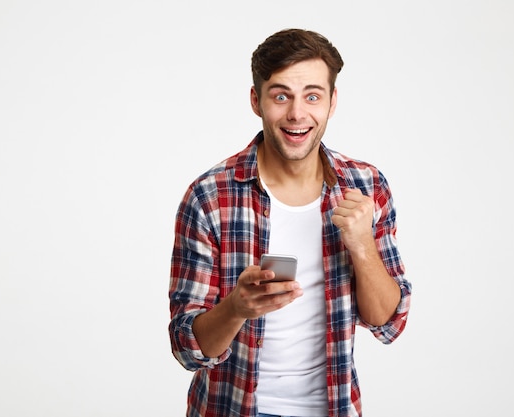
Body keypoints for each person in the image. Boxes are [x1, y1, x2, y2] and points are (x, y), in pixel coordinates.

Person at [169, 28, 411, 417]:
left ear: (332, 102)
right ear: (256, 100)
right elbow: (186, 348)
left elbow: (388, 323)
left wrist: (362, 244)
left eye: (312, 96)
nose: (297, 114)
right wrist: (236, 308)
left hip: (331, 408)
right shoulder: (210, 197)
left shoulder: (366, 186)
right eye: (281, 96)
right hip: (232, 408)